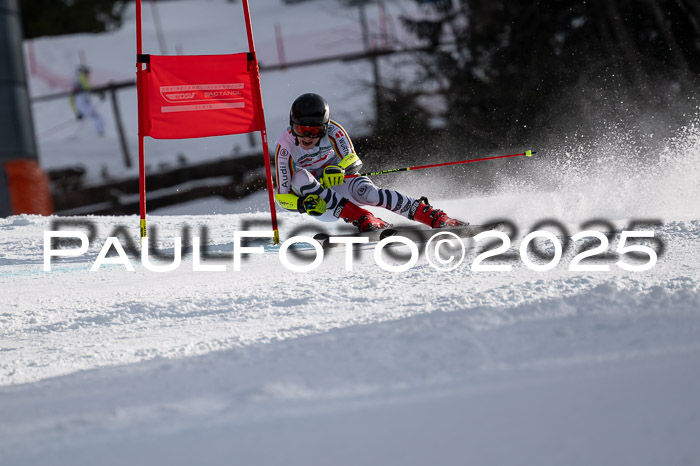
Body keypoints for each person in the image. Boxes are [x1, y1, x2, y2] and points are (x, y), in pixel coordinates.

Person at [274, 93, 467, 232]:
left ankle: (430, 215)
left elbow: (354, 160)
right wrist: (302, 204)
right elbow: (281, 198)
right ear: (292, 126)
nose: (306, 137)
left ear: (324, 128)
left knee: (369, 194)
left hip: (340, 183)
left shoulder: (334, 131)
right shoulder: (285, 148)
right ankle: (361, 217)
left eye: (314, 131)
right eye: (301, 129)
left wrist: (339, 169)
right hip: (322, 205)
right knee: (300, 178)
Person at [69, 65, 105, 136]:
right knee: (95, 116)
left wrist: (77, 113)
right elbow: (88, 87)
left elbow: (71, 100)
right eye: (86, 72)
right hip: (82, 100)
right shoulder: (80, 77)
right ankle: (100, 133)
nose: (87, 75)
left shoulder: (76, 82)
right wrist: (99, 94)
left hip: (82, 101)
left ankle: (100, 132)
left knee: (95, 116)